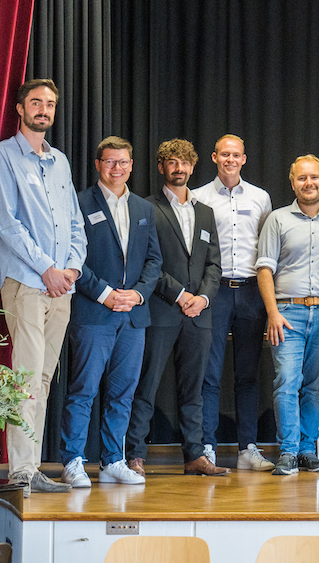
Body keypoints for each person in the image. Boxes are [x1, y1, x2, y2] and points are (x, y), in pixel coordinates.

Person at [0, 79, 86, 495]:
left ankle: (31, 468)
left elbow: (76, 222)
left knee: (43, 380)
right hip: (27, 283)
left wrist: (72, 269)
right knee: (26, 378)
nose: (44, 110)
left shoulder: (60, 161)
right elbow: (7, 223)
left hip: (62, 288)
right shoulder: (3, 156)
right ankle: (21, 473)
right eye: (36, 103)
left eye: (50, 104)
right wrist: (47, 269)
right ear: (20, 108)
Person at [61, 136, 162, 487]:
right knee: (83, 390)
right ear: (98, 164)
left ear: (131, 166)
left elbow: (154, 260)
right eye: (109, 162)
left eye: (122, 162)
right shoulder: (79, 203)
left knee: (123, 393)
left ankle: (112, 461)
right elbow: (74, 258)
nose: (116, 168)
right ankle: (73, 461)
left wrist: (138, 294)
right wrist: (105, 294)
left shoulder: (144, 209)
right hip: (93, 313)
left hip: (133, 316)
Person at [125, 139, 228, 477]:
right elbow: (145, 261)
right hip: (161, 310)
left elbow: (214, 264)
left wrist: (203, 298)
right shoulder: (146, 208)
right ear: (161, 167)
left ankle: (194, 455)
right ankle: (135, 455)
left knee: (194, 389)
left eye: (184, 162)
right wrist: (180, 295)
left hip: (199, 315)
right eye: (172, 162)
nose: (179, 168)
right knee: (146, 385)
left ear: (193, 167)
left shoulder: (205, 212)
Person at [256, 154, 319, 476]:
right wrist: (272, 312)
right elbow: (265, 268)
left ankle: (308, 450)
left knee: (316, 385)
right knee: (286, 381)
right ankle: (288, 451)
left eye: (314, 177)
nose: (308, 183)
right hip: (287, 312)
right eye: (301, 178)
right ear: (292, 182)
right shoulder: (277, 219)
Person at [192, 135, 275, 471]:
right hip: (216, 291)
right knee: (209, 374)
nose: (230, 160)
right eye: (224, 154)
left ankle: (247, 448)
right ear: (214, 158)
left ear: (244, 159)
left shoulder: (260, 198)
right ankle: (207, 447)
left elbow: (268, 246)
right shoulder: (198, 197)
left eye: (235, 155)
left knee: (248, 375)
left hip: (252, 291)